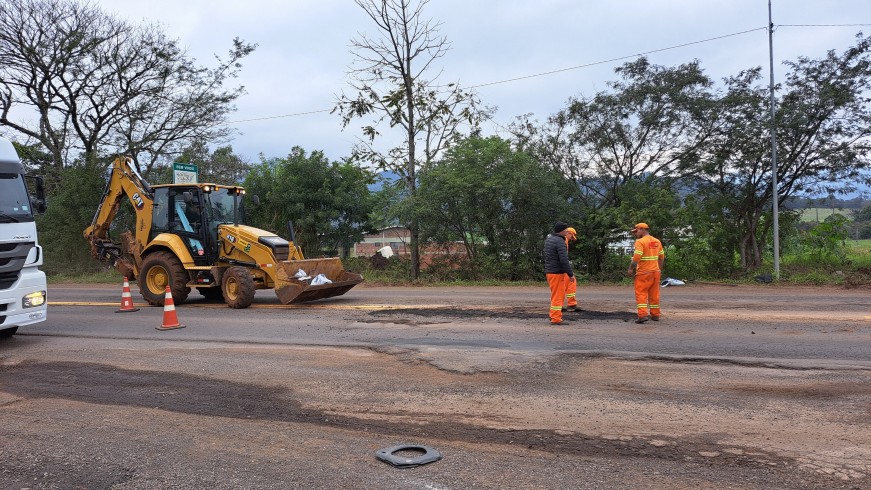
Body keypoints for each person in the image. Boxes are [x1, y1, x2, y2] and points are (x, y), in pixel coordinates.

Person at [626, 222, 664, 324]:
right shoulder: (657, 241)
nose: (635, 233)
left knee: (641, 293)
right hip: (655, 272)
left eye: (636, 231)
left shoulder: (640, 242)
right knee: (654, 294)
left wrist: (630, 269)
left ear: (642, 229)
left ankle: (642, 315)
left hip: (643, 272)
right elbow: (661, 257)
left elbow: (636, 258)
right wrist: (659, 269)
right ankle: (655, 315)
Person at [544, 222, 574, 325]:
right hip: (557, 273)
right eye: (566, 229)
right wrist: (570, 274)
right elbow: (564, 260)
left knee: (555, 295)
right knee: (558, 296)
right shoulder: (560, 241)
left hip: (550, 272)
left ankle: (553, 315)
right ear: (561, 230)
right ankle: (556, 318)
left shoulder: (549, 239)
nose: (567, 231)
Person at [563, 227, 579, 312]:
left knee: (564, 285)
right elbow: (563, 257)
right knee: (571, 282)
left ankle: (562, 304)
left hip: (561, 267)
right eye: (572, 237)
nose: (572, 239)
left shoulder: (563, 240)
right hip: (562, 268)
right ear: (568, 233)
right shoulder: (564, 240)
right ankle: (571, 304)